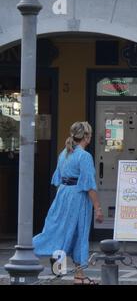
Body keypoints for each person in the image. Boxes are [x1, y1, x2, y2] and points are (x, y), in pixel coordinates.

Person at [33, 121, 104, 285]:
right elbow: (89, 185)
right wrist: (98, 208)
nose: (91, 137)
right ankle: (78, 275)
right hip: (78, 196)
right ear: (86, 137)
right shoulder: (84, 156)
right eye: (90, 134)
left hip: (62, 194)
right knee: (79, 232)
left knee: (59, 229)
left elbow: (57, 178)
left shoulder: (64, 153)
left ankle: (60, 270)